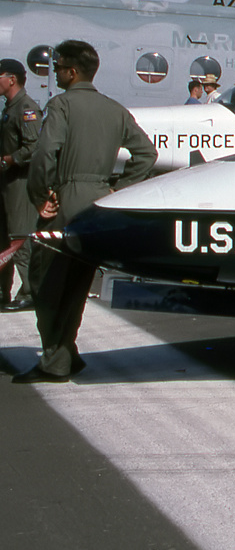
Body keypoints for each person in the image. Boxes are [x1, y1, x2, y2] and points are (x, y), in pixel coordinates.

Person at [13, 41, 157, 384]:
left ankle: (54, 362)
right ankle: (67, 354)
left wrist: (38, 196)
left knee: (44, 283)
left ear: (72, 72)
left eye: (59, 67)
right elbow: (146, 154)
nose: (56, 72)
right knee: (76, 286)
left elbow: (46, 153)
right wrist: (117, 190)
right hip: (97, 204)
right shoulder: (114, 108)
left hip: (66, 199)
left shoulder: (61, 104)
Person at [0, 59, 40, 311]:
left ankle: (29, 292)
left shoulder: (26, 108)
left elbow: (34, 146)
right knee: (4, 238)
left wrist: (10, 160)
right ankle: (3, 290)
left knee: (19, 238)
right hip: (7, 183)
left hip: (19, 183)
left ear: (11, 79)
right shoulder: (10, 108)